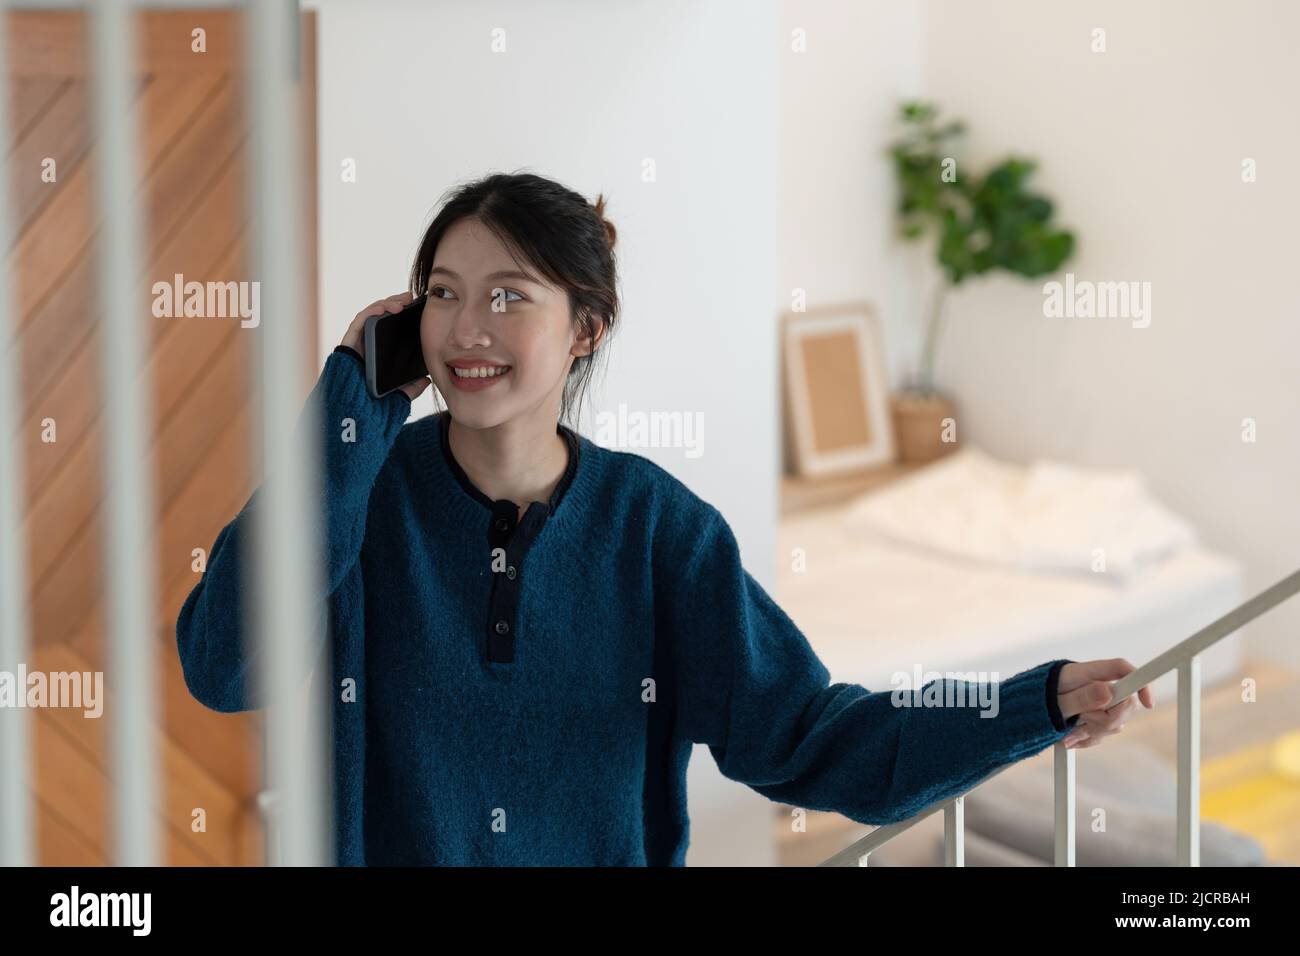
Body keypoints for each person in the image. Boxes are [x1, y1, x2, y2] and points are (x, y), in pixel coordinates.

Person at [176, 170, 1154, 866]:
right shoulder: (359, 497)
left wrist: (1031, 701)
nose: (466, 329)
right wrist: (350, 401)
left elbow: (818, 738)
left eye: (508, 296)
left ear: (586, 327)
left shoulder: (660, 534)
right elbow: (225, 667)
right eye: (441, 295)